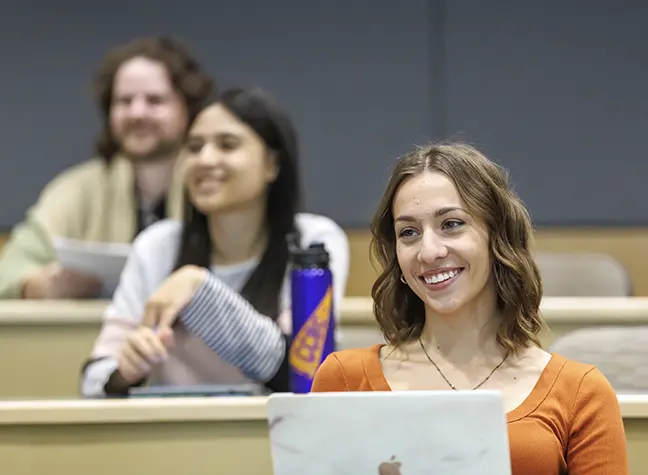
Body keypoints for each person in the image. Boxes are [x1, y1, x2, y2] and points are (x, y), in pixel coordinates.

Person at [311, 143, 628, 474]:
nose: (428, 251)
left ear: (497, 236)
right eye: (409, 233)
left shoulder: (581, 392)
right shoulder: (344, 379)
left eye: (451, 224)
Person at [81, 87, 350, 397]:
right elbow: (92, 380)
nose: (205, 160)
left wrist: (199, 289)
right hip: (171, 434)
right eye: (194, 147)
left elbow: (301, 373)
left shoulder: (313, 241)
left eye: (227, 145)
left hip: (269, 434)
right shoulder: (157, 245)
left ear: (272, 164)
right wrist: (122, 372)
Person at [0, 36, 214, 299]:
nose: (137, 113)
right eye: (124, 101)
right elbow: (9, 270)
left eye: (155, 100)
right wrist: (37, 285)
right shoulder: (76, 190)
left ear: (188, 108)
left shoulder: (215, 184)